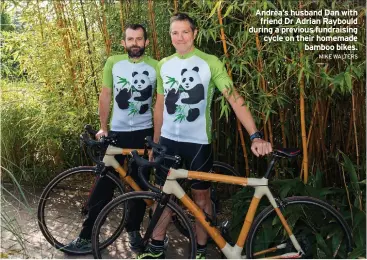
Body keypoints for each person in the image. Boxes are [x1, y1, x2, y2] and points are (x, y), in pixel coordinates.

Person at [138, 13, 272, 259]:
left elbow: (234, 99)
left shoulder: (210, 62)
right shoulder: (163, 64)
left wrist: (255, 135)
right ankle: (156, 246)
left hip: (198, 143)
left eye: (185, 32)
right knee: (163, 194)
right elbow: (159, 106)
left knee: (202, 198)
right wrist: (155, 141)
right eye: (174, 33)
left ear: (195, 33)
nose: (179, 37)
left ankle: (200, 248)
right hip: (167, 142)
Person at [65, 24, 158, 253]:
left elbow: (162, 103)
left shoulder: (158, 66)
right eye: (130, 39)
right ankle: (86, 236)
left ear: (146, 42)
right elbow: (106, 94)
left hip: (143, 133)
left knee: (138, 184)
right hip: (117, 132)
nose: (134, 43)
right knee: (104, 184)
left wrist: (156, 138)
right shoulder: (113, 62)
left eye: (139, 39)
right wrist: (103, 127)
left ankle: (133, 231)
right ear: (123, 42)